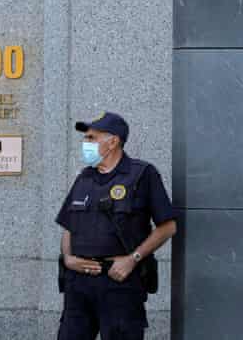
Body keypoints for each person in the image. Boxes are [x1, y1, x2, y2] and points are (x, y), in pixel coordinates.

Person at [56, 112, 176, 340]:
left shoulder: (142, 174)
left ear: (113, 141)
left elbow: (168, 227)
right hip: (78, 284)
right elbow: (69, 226)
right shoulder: (84, 178)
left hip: (119, 282)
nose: (85, 143)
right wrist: (69, 258)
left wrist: (133, 259)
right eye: (86, 138)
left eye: (91, 138)